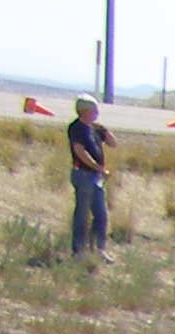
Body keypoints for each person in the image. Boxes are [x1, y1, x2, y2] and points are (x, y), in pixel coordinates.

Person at [66, 97, 111, 260]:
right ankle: (79, 251)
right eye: (94, 110)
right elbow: (80, 152)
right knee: (82, 214)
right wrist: (97, 167)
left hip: (96, 177)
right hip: (83, 175)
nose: (97, 113)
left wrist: (104, 131)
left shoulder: (94, 129)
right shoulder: (76, 128)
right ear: (85, 111)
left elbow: (113, 143)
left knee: (101, 213)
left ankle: (99, 249)